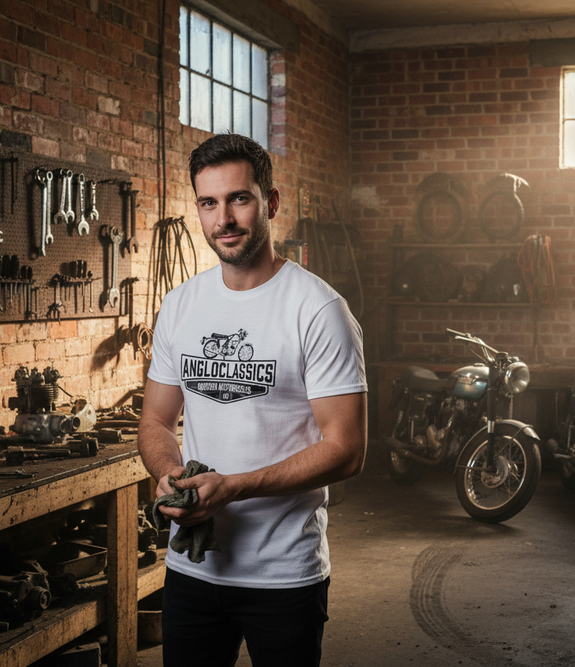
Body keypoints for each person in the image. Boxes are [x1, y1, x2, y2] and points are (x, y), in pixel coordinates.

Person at [138, 133, 368, 667]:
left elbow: (347, 450)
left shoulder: (317, 310)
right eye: (208, 202)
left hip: (282, 575)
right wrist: (168, 473)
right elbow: (155, 418)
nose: (224, 219)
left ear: (271, 203)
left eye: (239, 199)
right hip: (192, 571)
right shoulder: (180, 306)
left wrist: (233, 489)